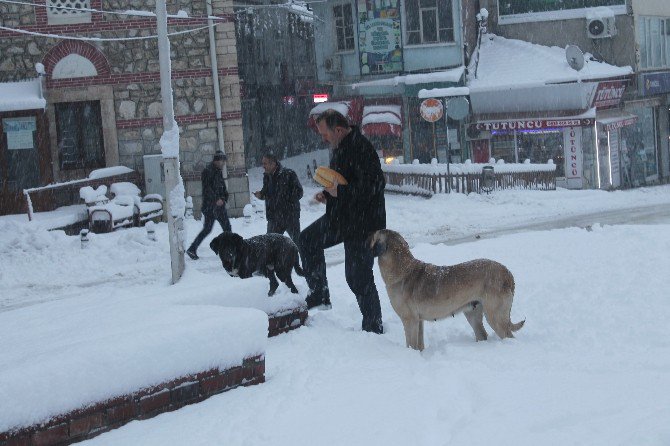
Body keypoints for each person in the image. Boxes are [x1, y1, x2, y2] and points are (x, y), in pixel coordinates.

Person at [299, 109, 386, 334]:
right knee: (307, 239)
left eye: (325, 133)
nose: (323, 138)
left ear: (338, 130)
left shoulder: (362, 149)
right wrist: (327, 194)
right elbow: (342, 181)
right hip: (341, 217)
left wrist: (340, 193)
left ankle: (373, 326)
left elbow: (373, 187)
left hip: (363, 223)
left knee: (358, 277)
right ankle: (319, 293)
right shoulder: (340, 148)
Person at [186, 150, 231, 260]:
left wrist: (224, 198)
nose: (223, 163)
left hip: (218, 206)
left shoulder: (218, 171)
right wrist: (216, 200)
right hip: (211, 207)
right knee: (218, 229)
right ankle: (229, 252)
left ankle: (193, 248)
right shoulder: (208, 171)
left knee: (221, 229)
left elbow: (223, 188)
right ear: (217, 160)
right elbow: (207, 189)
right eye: (222, 161)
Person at [253, 152, 303, 246]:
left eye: (265, 163)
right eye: (262, 163)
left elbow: (299, 192)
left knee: (298, 243)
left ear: (273, 163)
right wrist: (261, 195)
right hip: (274, 218)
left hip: (290, 216)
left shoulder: (289, 174)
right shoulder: (267, 176)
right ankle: (277, 261)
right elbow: (266, 192)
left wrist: (285, 198)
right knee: (270, 245)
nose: (263, 166)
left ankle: (304, 260)